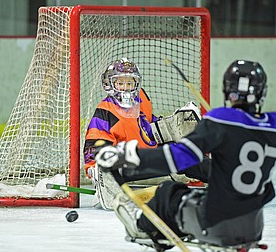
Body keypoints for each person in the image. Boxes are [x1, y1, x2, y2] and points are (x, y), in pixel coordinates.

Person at [95, 60, 275, 247]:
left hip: (215, 225)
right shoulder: (273, 124)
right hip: (254, 227)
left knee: (168, 192)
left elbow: (177, 157)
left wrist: (131, 156)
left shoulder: (220, 119)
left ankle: (142, 226)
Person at [83, 58, 208, 210]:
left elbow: (147, 128)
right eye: (120, 83)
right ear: (110, 84)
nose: (125, 88)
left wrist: (172, 127)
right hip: (128, 164)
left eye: (129, 83)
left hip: (150, 157)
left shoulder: (141, 99)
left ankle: (224, 178)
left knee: (187, 155)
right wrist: (95, 169)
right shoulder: (105, 112)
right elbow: (95, 149)